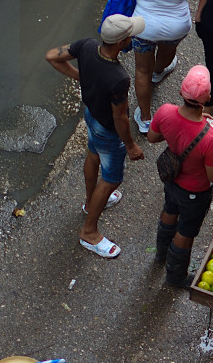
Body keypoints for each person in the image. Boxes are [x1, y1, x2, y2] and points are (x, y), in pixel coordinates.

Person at [46, 14, 146, 258]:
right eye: (130, 35)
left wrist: (80, 75)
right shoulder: (118, 78)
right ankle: (89, 232)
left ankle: (90, 203)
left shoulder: (87, 46)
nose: (133, 37)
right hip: (108, 130)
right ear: (122, 43)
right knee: (111, 179)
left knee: (93, 154)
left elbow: (52, 56)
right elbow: (120, 119)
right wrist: (131, 145)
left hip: (90, 116)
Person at [146, 65, 213, 286]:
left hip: (171, 181)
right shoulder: (210, 139)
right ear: (206, 99)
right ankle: (176, 277)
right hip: (194, 193)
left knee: (169, 210)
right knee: (185, 232)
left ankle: (161, 254)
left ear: (180, 93)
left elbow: (152, 137)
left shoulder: (165, 111)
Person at [123, 0, 196, 134]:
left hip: (144, 27)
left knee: (141, 72)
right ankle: (159, 71)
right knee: (167, 50)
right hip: (176, 26)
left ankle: (145, 119)